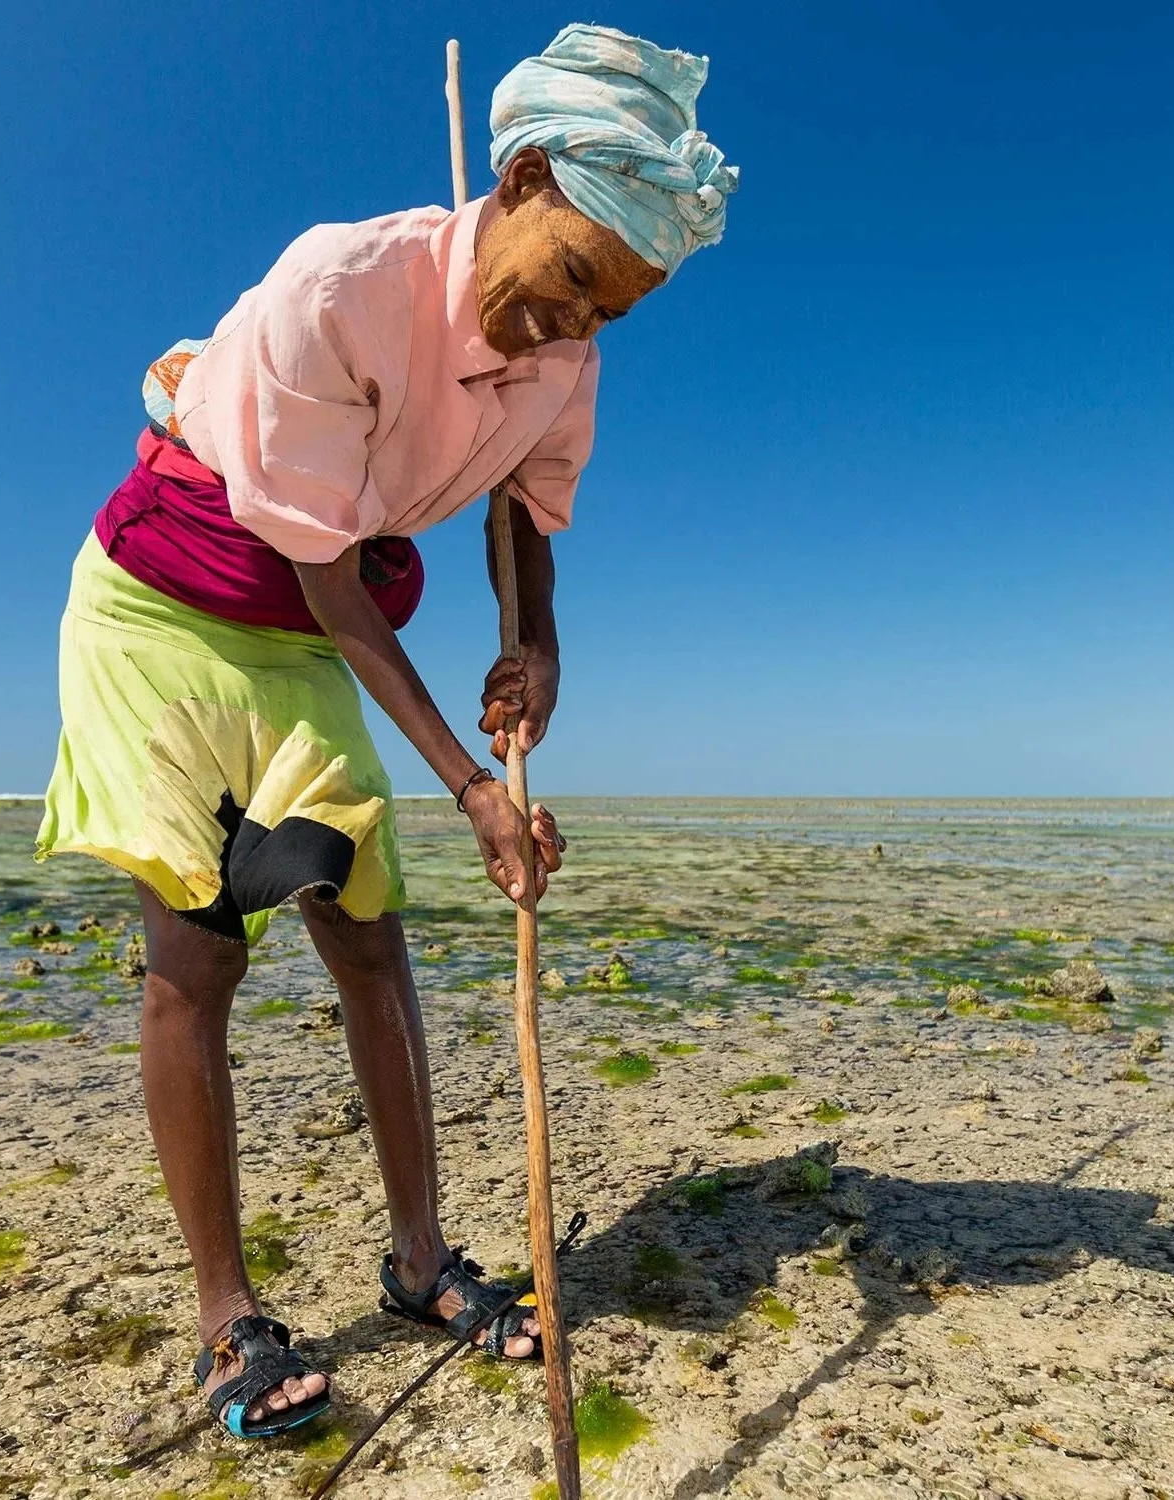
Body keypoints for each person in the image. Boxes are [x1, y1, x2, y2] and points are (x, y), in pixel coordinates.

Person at [36, 24, 737, 1438]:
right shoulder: (336, 290)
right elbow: (328, 575)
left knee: (368, 938)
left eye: (623, 306)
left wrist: (537, 642)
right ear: (526, 174)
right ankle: (227, 1319)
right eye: (582, 275)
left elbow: (526, 513)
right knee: (197, 949)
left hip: (307, 630)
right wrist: (472, 785)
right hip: (167, 614)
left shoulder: (568, 357)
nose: (585, 323)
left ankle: (420, 1260)